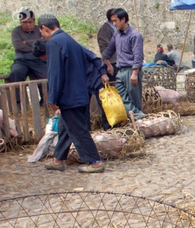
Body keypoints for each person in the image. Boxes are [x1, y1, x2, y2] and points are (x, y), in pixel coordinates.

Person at [38, 14, 108, 173]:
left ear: (44, 28)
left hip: (68, 96)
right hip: (80, 92)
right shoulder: (70, 40)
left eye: (40, 31)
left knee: (78, 131)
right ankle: (58, 160)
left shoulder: (53, 43)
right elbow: (91, 57)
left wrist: (53, 97)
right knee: (65, 127)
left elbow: (55, 73)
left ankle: (95, 162)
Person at [101, 8, 145, 120]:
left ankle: (138, 122)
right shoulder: (116, 34)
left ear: (123, 19)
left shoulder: (135, 35)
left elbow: (138, 55)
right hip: (120, 71)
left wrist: (135, 73)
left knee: (134, 99)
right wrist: (102, 61)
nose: (114, 23)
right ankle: (139, 117)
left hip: (131, 70)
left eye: (115, 21)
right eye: (112, 21)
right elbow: (108, 51)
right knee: (120, 98)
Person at [9, 9, 48, 106]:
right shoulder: (16, 31)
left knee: (47, 75)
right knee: (16, 72)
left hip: (39, 60)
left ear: (34, 21)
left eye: (30, 22)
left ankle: (46, 102)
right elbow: (18, 46)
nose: (28, 25)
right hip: (22, 60)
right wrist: (36, 45)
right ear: (20, 22)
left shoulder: (40, 30)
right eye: (24, 22)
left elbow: (44, 44)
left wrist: (26, 42)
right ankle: (18, 104)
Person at [97, 9, 118, 81]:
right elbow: (103, 48)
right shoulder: (105, 30)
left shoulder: (115, 28)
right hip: (112, 63)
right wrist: (108, 64)